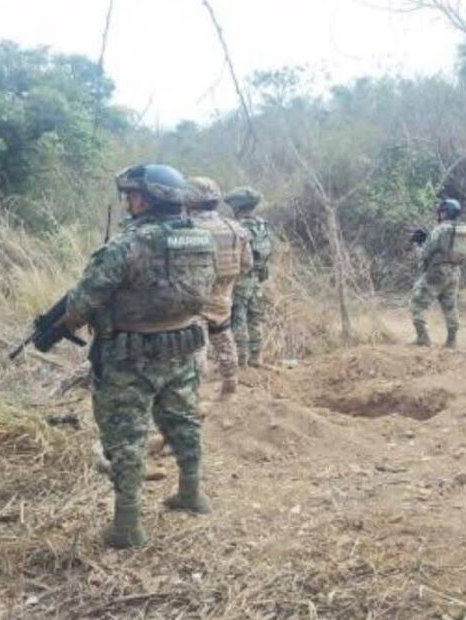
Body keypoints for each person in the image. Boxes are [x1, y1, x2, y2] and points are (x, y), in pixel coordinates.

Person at [56, 164, 218, 548]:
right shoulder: (201, 239)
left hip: (129, 358)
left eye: (131, 195)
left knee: (126, 437)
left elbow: (81, 303)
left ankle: (127, 526)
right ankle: (191, 493)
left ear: (145, 200)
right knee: (183, 421)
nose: (128, 202)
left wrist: (66, 322)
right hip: (181, 347)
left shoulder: (126, 246)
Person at [186, 176, 254, 399]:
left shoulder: (186, 229)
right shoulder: (235, 229)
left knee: (197, 347)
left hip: (193, 299)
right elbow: (247, 265)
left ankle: (193, 397)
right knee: (224, 338)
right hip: (223, 296)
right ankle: (230, 388)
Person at [409, 198, 466, 348]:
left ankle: (423, 338)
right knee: (450, 306)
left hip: (437, 271)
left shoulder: (440, 229)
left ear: (445, 213)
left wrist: (418, 244)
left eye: (441, 212)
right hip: (455, 271)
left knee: (417, 304)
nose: (439, 214)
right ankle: (452, 340)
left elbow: (426, 253)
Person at [223, 186, 274, 367]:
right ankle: (256, 357)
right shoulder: (262, 225)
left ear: (237, 206)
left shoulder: (237, 228)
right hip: (257, 279)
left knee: (238, 319)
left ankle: (241, 360)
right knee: (255, 318)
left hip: (240, 279)